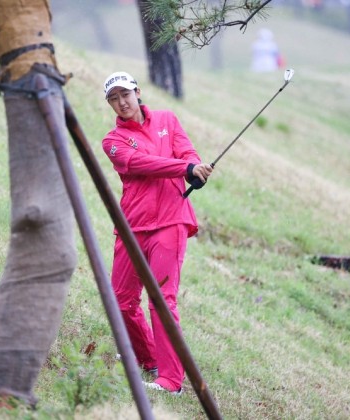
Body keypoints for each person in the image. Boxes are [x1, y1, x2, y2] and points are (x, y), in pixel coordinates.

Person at [100, 71, 213, 395]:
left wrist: (196, 168)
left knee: (162, 300)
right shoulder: (113, 141)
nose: (122, 102)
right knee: (121, 302)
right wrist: (184, 168)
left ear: (137, 92)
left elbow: (186, 152)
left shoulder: (167, 119)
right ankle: (149, 358)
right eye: (114, 98)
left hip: (170, 222)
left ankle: (170, 380)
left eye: (126, 94)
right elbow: (142, 164)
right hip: (132, 227)